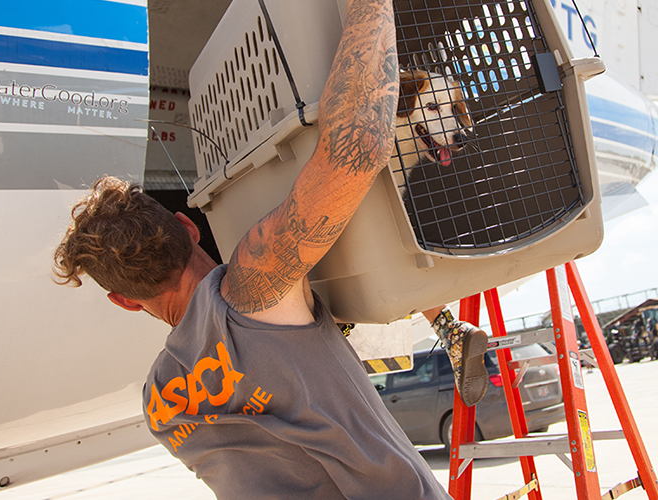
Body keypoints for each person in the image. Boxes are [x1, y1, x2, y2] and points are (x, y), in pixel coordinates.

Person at [53, 0, 484, 496]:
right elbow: (357, 152)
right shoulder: (258, 284)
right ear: (188, 227)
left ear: (124, 299)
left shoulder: (159, 403)